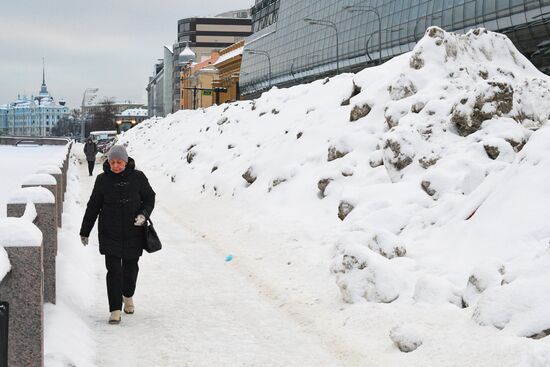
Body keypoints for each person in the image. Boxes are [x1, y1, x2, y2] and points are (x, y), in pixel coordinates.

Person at [79, 145, 155, 324]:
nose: (115, 165)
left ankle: (128, 296)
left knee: (130, 268)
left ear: (126, 161)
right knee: (113, 271)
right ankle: (114, 309)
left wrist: (144, 214)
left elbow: (150, 197)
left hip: (133, 232)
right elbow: (93, 206)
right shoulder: (102, 180)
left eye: (119, 162)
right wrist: (85, 230)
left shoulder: (138, 177)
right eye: (112, 162)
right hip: (109, 232)